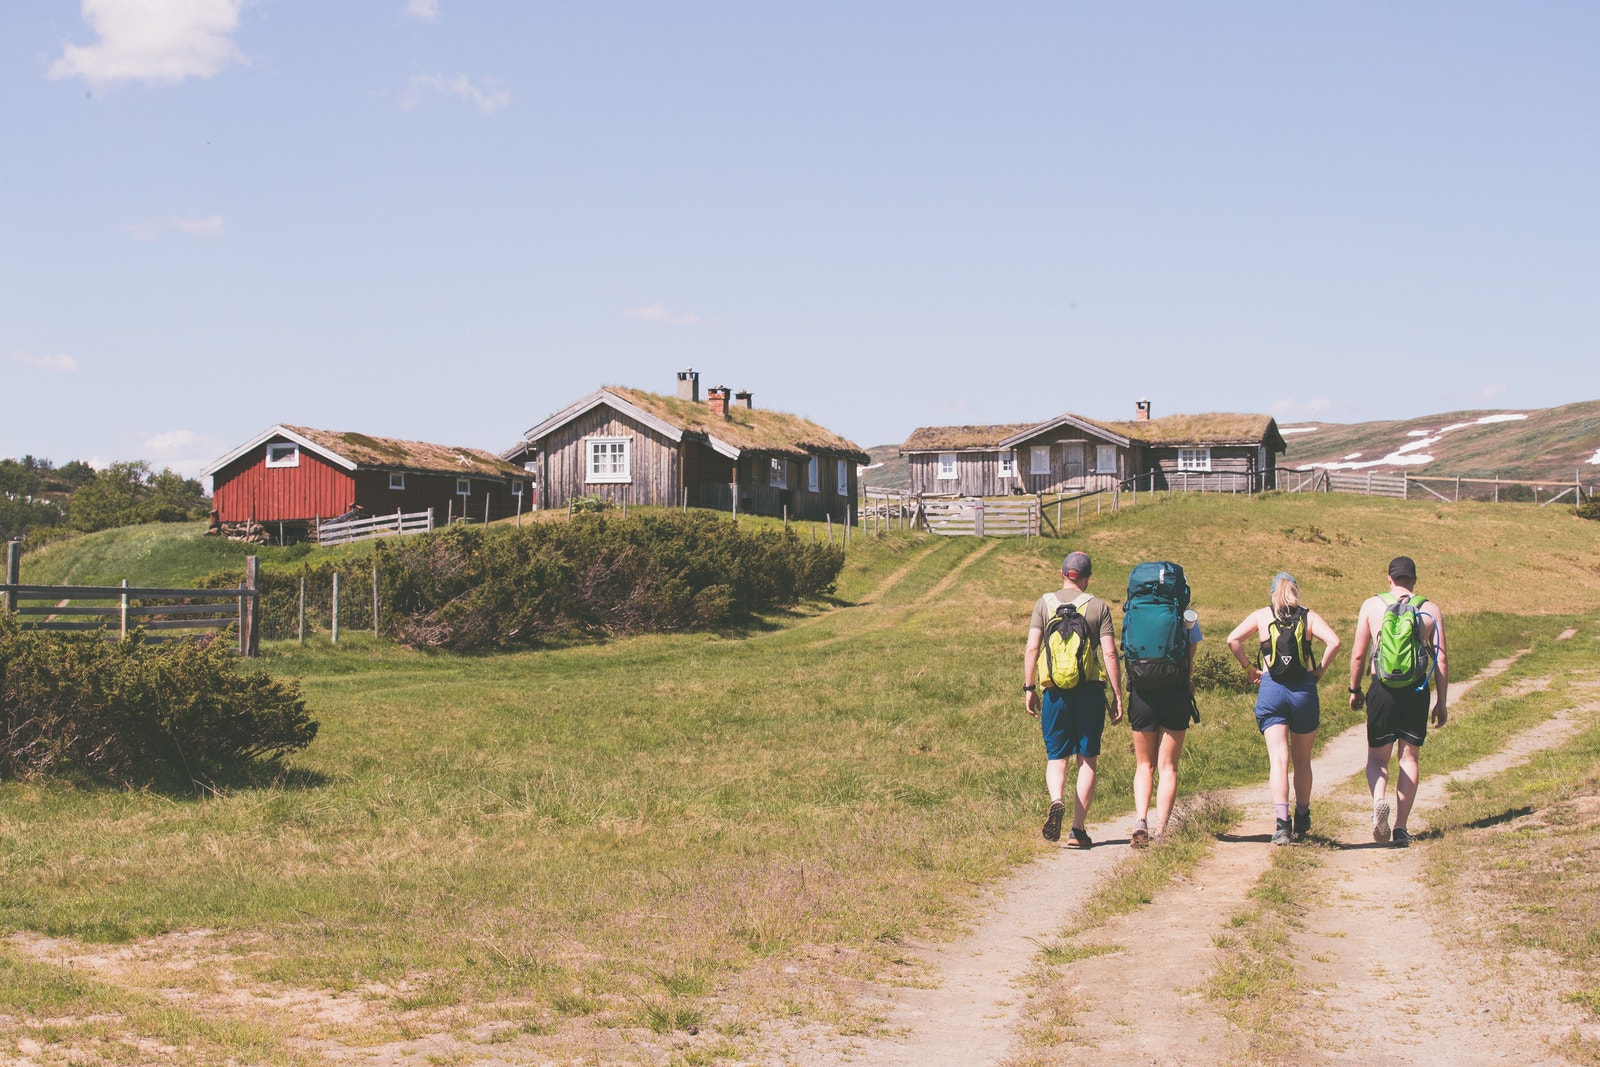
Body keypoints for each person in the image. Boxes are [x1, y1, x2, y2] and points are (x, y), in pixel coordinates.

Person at [1226, 572, 1343, 846]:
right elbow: (1335, 642)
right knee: (1302, 760)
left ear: (1271, 593)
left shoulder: (1262, 615)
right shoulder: (1308, 616)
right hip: (1303, 690)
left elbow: (1232, 640)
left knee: (1279, 759)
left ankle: (1282, 825)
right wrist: (1320, 671)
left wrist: (1249, 669)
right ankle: (1302, 815)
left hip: (1271, 690)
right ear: (1296, 592)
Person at [1024, 551, 1125, 848]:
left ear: (1062, 573)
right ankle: (1077, 830)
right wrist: (1118, 694)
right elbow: (1108, 653)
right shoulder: (1098, 607)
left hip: (1054, 691)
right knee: (1087, 759)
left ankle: (1057, 799)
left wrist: (1029, 688)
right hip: (1090, 691)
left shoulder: (1043, 604)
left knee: (1057, 758)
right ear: (1087, 576)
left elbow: (1032, 649)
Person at [1348, 556, 1448, 847]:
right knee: (1409, 758)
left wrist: (1355, 690)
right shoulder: (1429, 609)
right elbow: (1440, 657)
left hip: (1382, 689)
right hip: (1416, 690)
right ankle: (1401, 828)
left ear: (1389, 578)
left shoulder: (1372, 605)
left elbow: (1358, 654)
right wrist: (1441, 701)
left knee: (1378, 758)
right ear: (1414, 580)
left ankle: (1378, 801)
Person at [1127, 607, 1202, 849]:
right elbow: (1191, 652)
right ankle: (1161, 831)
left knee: (1143, 765)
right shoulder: (1186, 616)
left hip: (1142, 693)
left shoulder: (1137, 611)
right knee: (1168, 766)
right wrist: (1187, 678)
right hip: (1175, 692)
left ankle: (1140, 820)